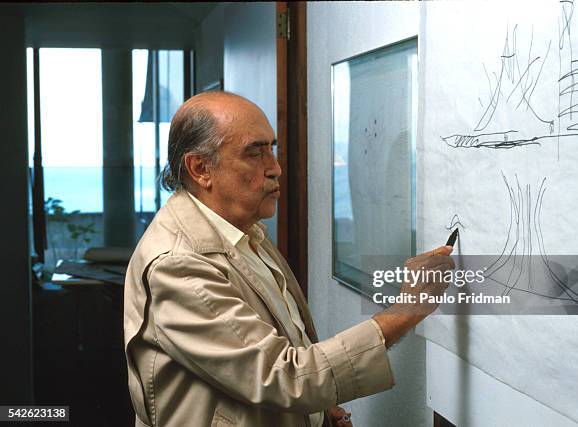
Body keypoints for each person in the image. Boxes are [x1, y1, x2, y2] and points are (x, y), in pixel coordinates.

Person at [123, 92, 454, 427]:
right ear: (200, 168)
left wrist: (314, 413)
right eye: (255, 153)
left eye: (272, 149)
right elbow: (283, 376)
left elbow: (267, 358)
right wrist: (407, 310)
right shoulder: (179, 265)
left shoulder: (244, 231)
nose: (276, 168)